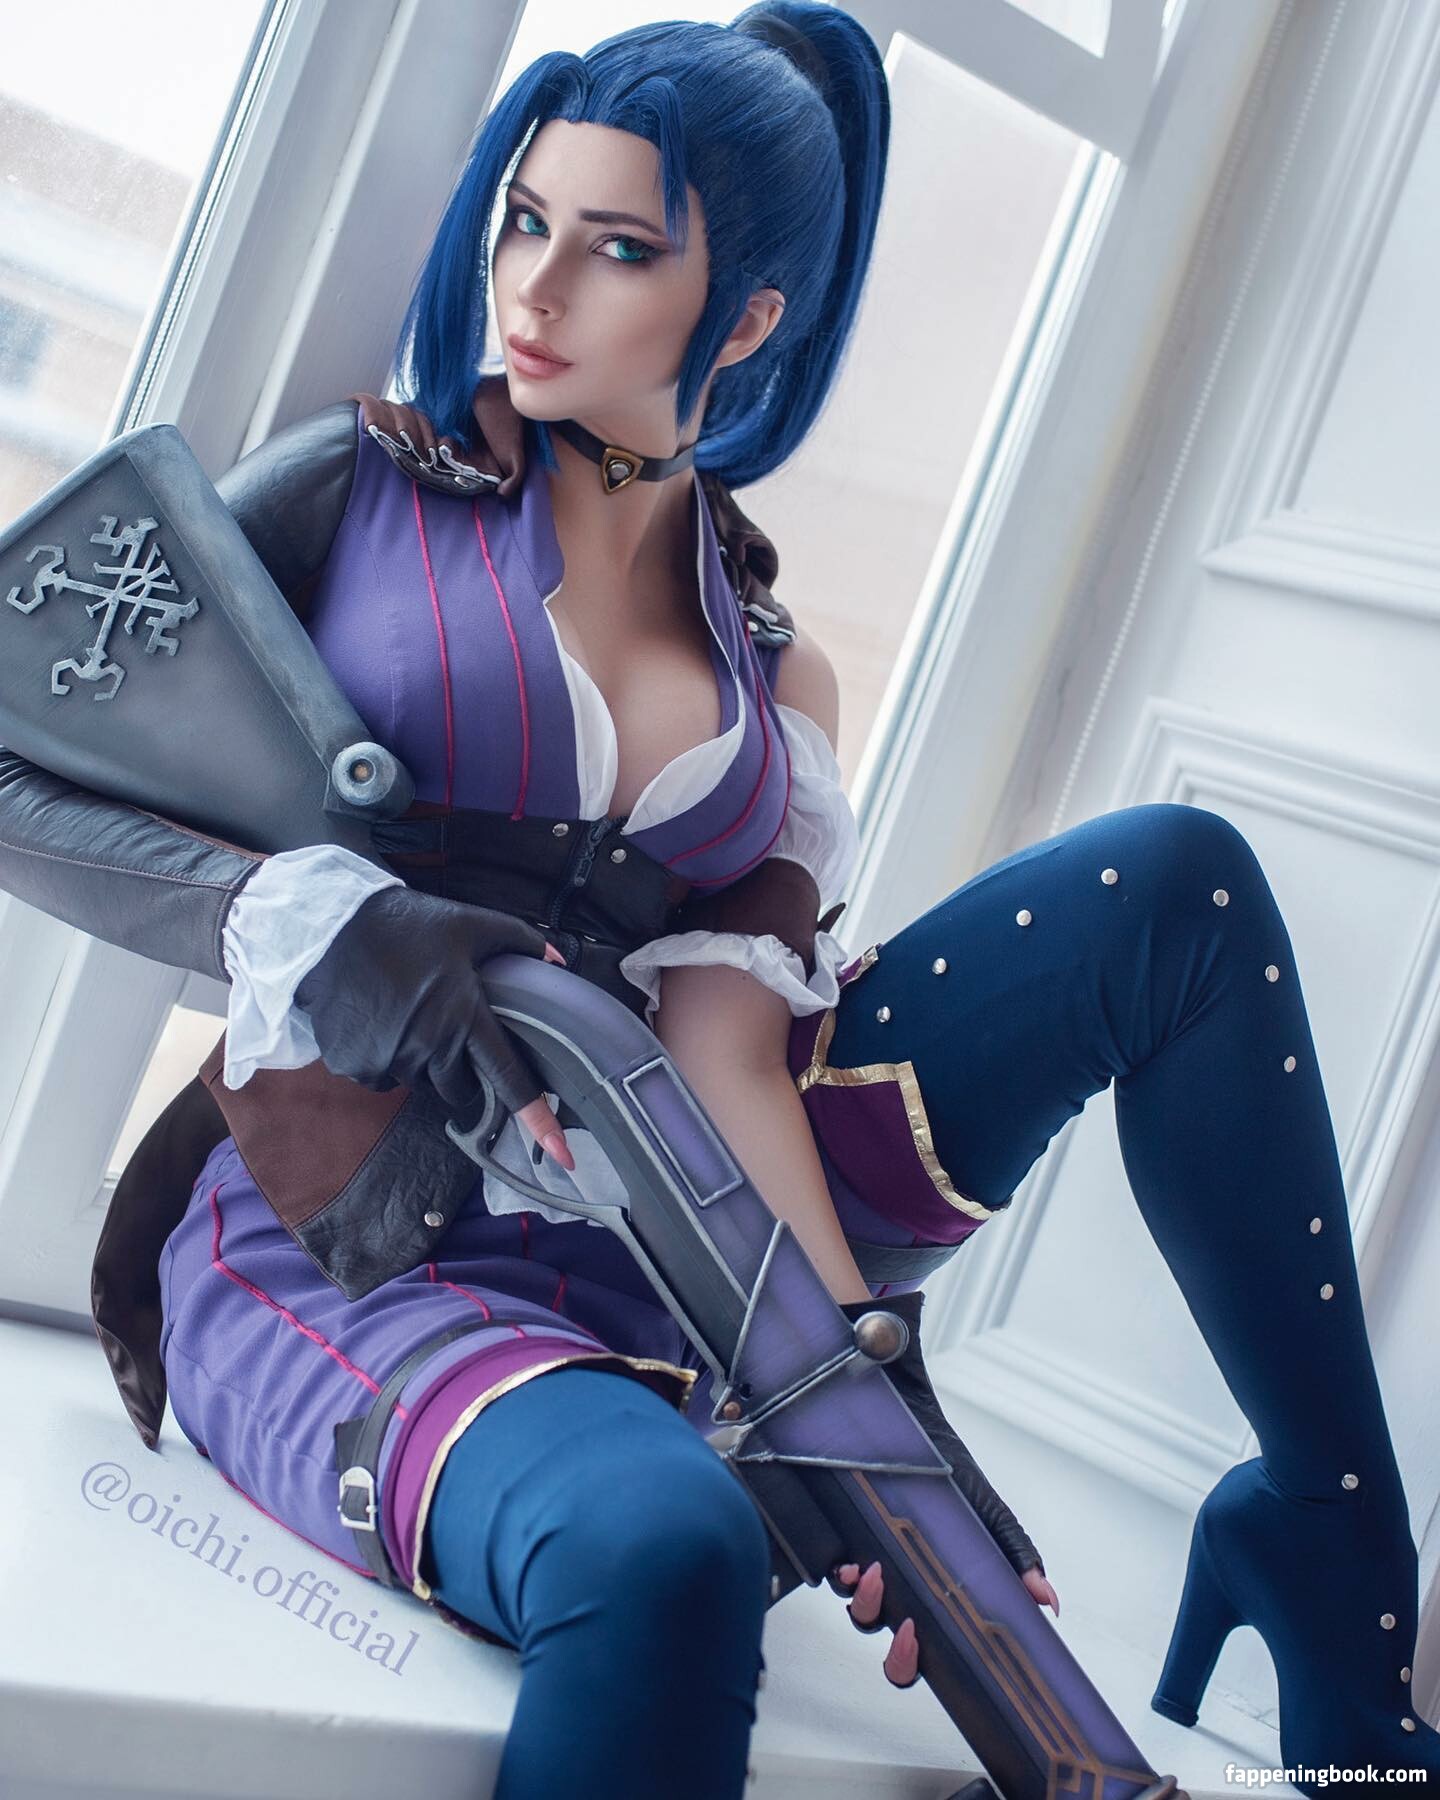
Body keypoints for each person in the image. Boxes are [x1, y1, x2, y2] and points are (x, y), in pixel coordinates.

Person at [0, 5, 1432, 1797]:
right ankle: (697, 1460)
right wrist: (308, 917)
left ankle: (1333, 1544)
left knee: (1171, 883)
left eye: (615, 250)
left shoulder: (773, 667)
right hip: (347, 1239)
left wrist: (866, 1405)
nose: (534, 288)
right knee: (665, 1548)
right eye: (526, 221)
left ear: (743, 320)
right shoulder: (357, 489)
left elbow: (726, 1057)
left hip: (682, 1264)